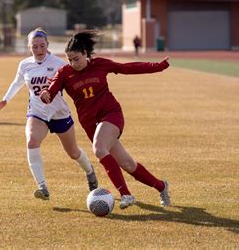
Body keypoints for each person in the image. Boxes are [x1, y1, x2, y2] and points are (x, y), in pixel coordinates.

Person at [40, 30, 171, 209]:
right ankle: (162, 186)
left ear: (86, 53)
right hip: (90, 124)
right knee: (127, 164)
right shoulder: (64, 72)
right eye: (69, 59)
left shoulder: (100, 64)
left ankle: (126, 195)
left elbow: (127, 68)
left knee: (99, 149)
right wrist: (46, 94)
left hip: (111, 114)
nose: (73, 63)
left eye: (76, 58)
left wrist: (157, 66)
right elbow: (52, 88)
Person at [0, 28, 98, 200]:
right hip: (37, 113)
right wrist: (5, 100)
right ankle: (42, 187)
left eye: (42, 46)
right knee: (32, 141)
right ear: (29, 47)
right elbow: (17, 83)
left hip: (59, 113)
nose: (39, 50)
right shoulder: (25, 65)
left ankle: (90, 172)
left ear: (48, 45)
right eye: (34, 47)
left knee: (73, 152)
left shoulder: (59, 64)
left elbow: (75, 83)